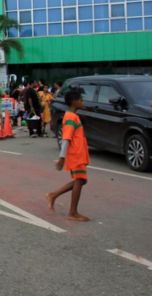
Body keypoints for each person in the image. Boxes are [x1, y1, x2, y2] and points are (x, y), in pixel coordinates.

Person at [47, 89, 90, 222]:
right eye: (81, 100)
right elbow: (66, 138)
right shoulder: (71, 117)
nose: (83, 102)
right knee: (80, 180)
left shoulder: (72, 116)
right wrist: (62, 158)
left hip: (78, 153)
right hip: (76, 154)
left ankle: (53, 195)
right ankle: (72, 212)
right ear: (74, 102)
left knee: (81, 180)